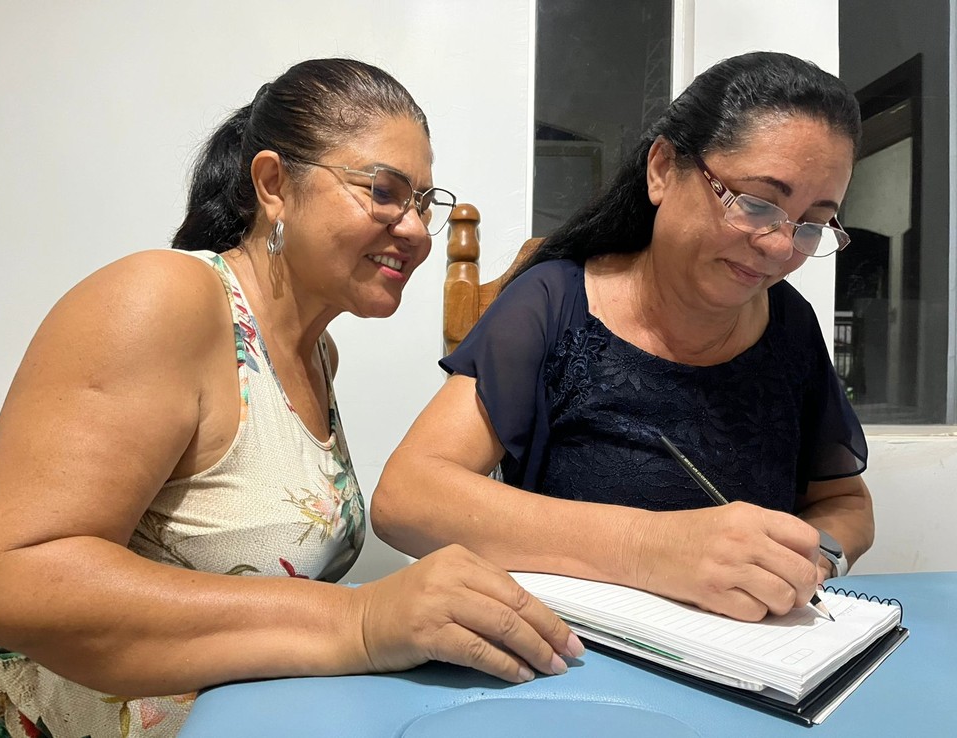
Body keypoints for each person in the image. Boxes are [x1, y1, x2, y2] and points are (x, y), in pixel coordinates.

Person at [0, 59, 582, 738]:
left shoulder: (317, 353)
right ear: (273, 185)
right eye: (383, 191)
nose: (413, 229)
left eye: (422, 203)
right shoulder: (163, 300)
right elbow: (3, 580)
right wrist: (358, 620)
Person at [372, 51, 875, 625]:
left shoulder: (790, 326)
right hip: (580, 659)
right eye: (758, 204)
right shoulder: (556, 303)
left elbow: (845, 503)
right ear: (663, 169)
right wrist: (654, 548)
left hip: (754, 664)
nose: (782, 248)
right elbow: (406, 498)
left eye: (811, 223)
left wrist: (813, 562)